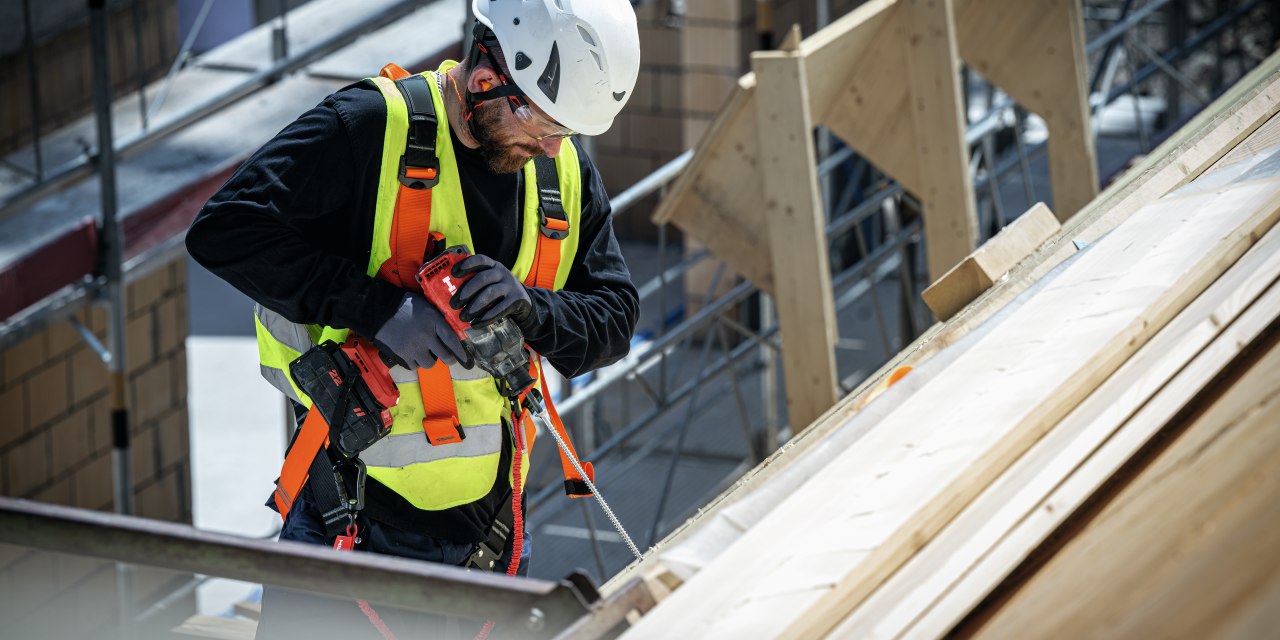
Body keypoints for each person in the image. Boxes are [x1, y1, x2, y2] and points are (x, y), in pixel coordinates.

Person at [185, 0, 641, 636]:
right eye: (542, 124)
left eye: (566, 131)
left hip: (490, 538)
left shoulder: (560, 170)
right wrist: (379, 309)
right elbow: (225, 230)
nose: (550, 146)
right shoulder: (370, 128)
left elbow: (615, 319)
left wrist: (534, 309)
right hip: (348, 528)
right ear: (486, 77)